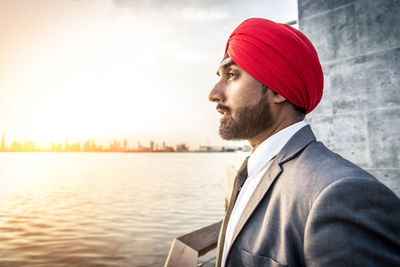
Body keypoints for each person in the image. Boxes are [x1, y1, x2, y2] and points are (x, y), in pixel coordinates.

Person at [208, 18, 400, 267]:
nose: (213, 94)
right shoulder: (250, 172)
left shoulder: (339, 194)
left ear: (278, 90)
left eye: (232, 75)